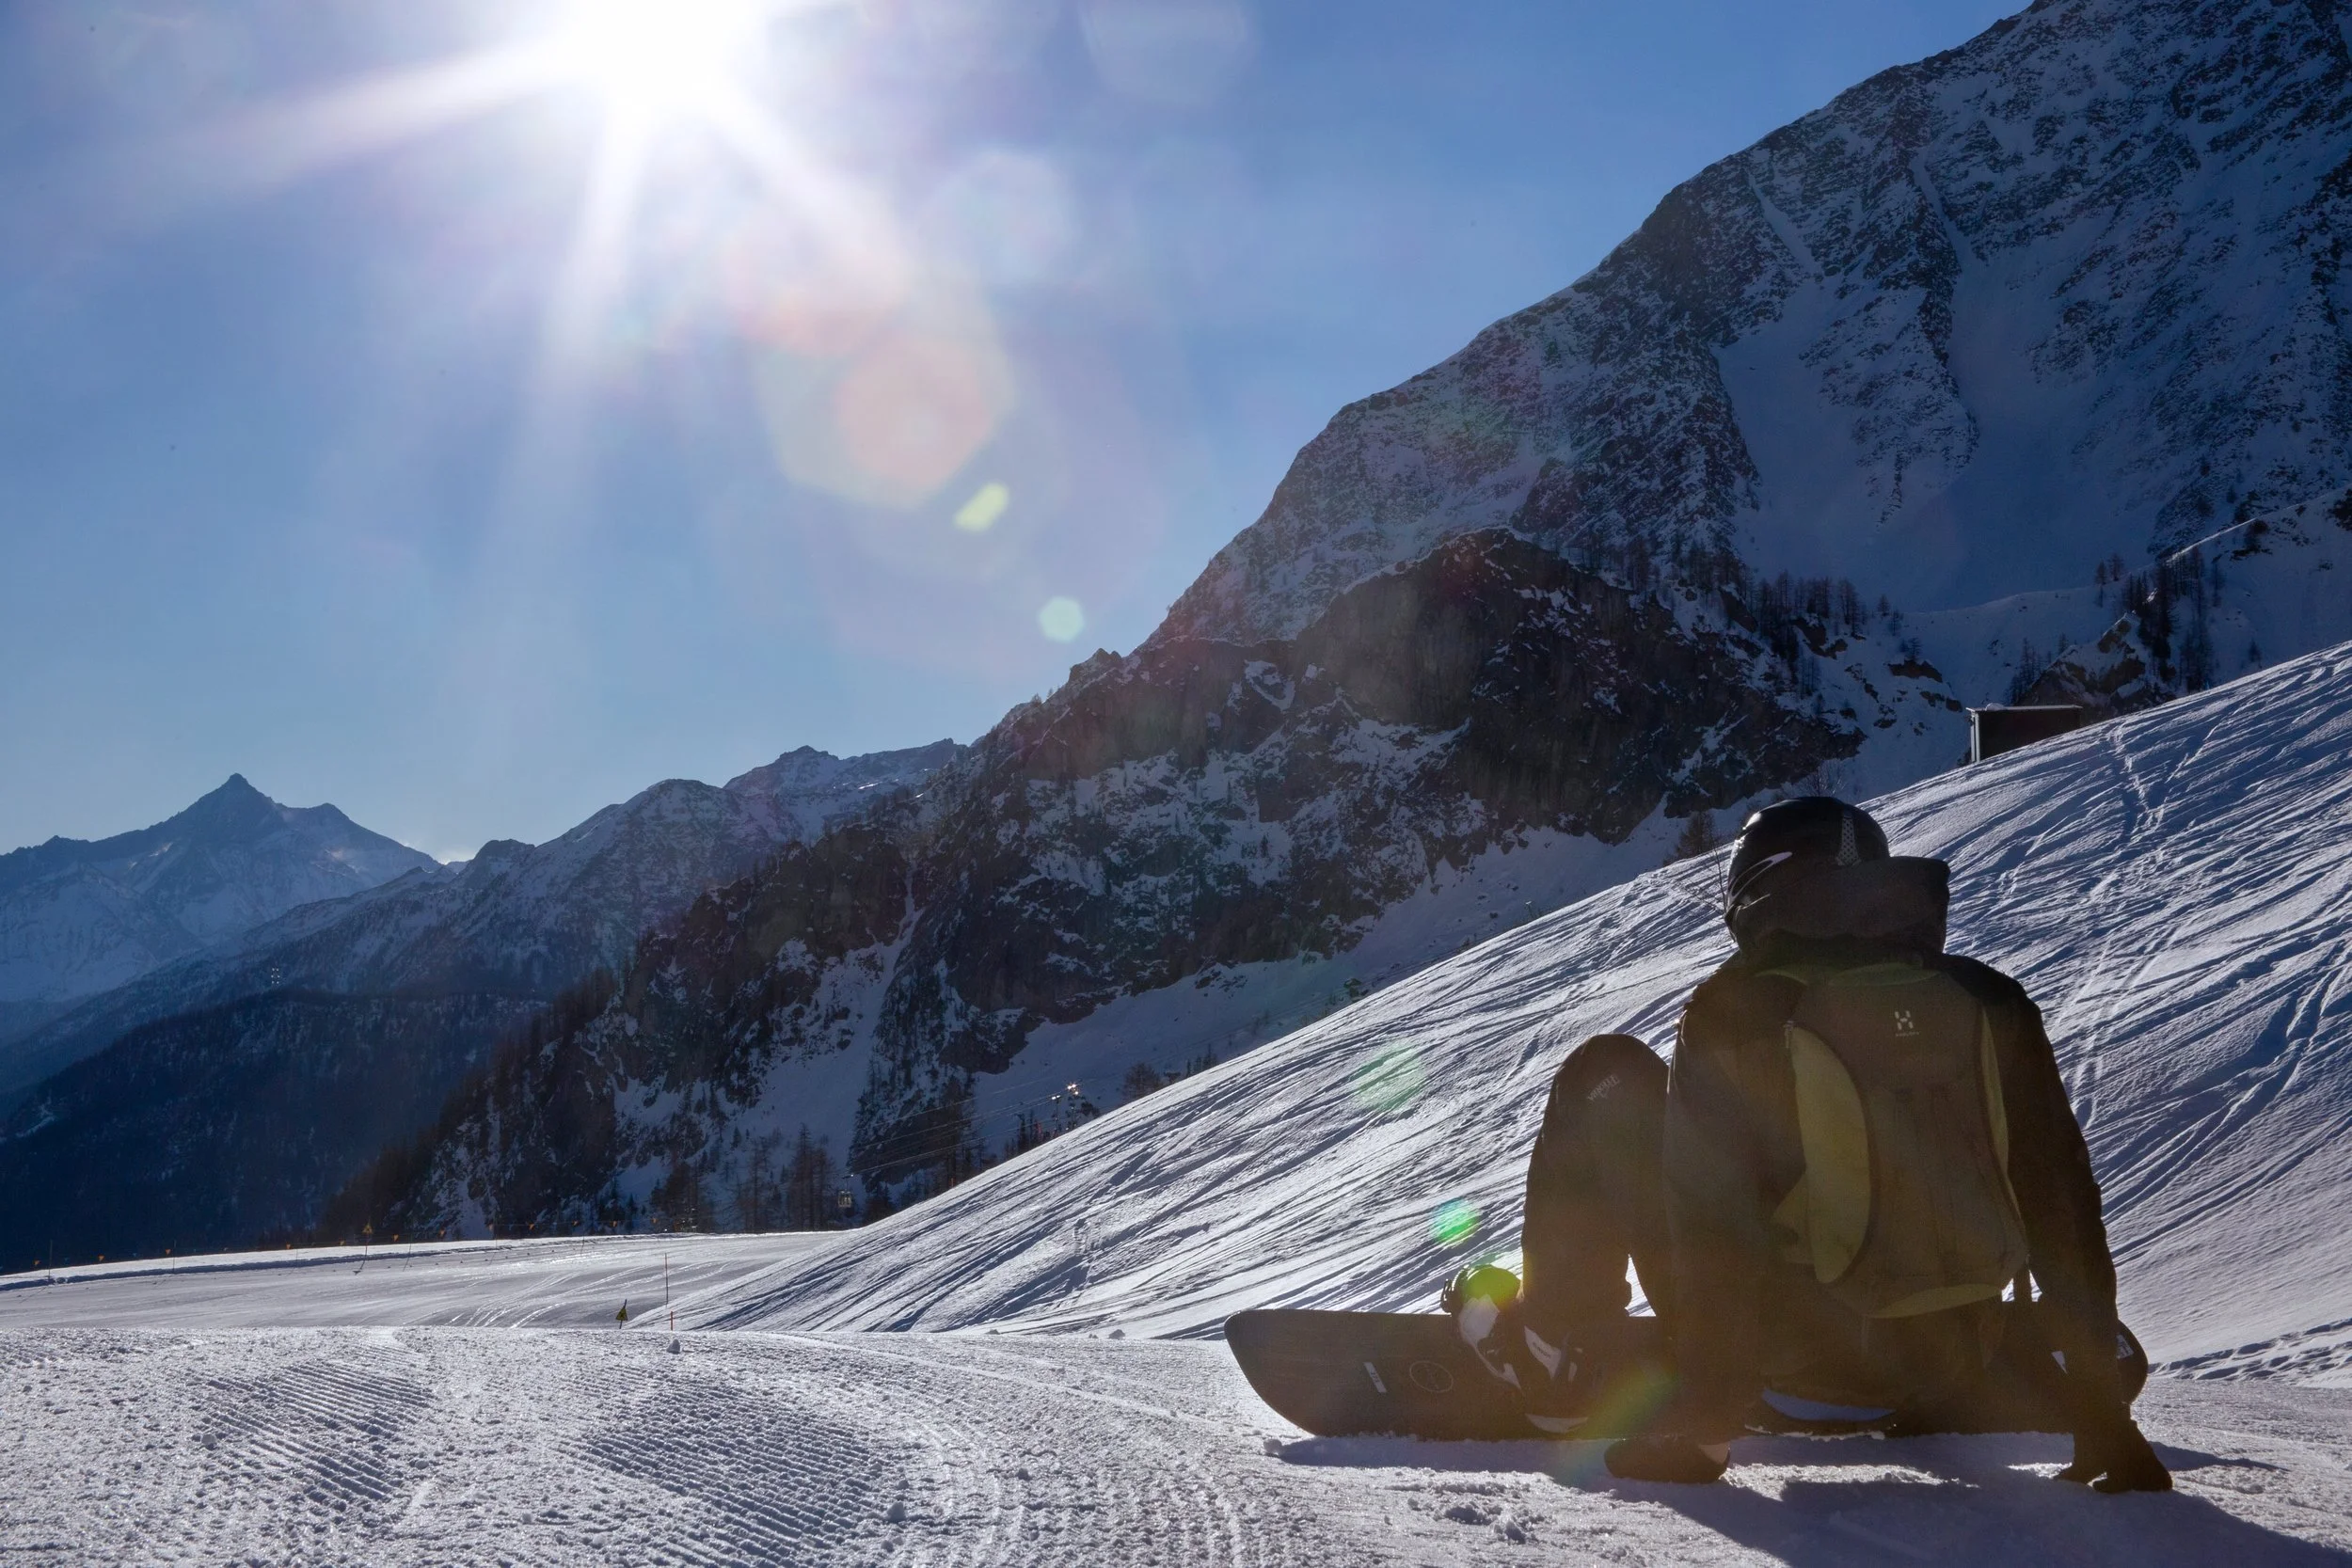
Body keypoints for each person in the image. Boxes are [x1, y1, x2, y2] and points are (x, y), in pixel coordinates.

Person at [1446, 796, 2170, 1490]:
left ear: (1759, 891)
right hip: (1950, 1360)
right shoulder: (1989, 999)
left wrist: (1707, 1420)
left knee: (1606, 1069)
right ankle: (1975, 1364)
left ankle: (1557, 1351)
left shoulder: (1733, 1010)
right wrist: (2101, 1411)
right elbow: (2061, 1200)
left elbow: (1710, 1221)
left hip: (1788, 1367)